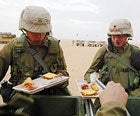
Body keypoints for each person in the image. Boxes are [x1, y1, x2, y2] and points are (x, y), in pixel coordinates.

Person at [0, 6, 70, 103]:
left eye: (43, 32)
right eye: (36, 32)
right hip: (22, 100)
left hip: (49, 99)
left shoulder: (54, 46)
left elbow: (65, 75)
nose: (40, 36)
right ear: (25, 29)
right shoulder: (13, 46)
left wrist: (58, 79)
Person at [84, 18, 140, 96]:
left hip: (129, 97)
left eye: (120, 36)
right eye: (113, 36)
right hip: (106, 96)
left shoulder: (135, 52)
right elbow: (89, 73)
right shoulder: (104, 51)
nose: (116, 39)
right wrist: (93, 83)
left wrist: (132, 96)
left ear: (127, 35)